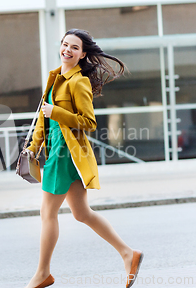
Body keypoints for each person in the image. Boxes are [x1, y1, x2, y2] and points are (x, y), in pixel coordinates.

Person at [23, 29, 144, 288]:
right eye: (65, 44)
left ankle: (42, 273)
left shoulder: (79, 82)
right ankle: (127, 253)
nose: (67, 49)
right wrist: (33, 147)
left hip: (64, 154)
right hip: (57, 151)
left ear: (83, 54)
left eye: (74, 47)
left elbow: (88, 123)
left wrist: (57, 111)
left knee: (47, 213)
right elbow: (43, 121)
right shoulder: (55, 77)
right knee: (81, 213)